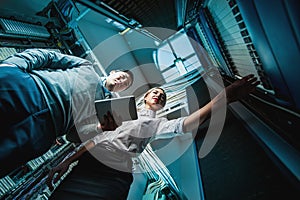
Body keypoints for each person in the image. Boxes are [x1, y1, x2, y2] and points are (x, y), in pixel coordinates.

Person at [47, 74, 259, 199]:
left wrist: (225, 97)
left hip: (115, 173)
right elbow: (96, 140)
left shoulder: (159, 124)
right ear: (146, 96)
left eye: (162, 96)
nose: (158, 94)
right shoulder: (121, 110)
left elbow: (188, 123)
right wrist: (67, 161)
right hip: (87, 166)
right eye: (155, 92)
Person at [0, 48, 134, 177]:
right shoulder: (86, 66)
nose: (121, 82)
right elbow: (49, 57)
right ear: (113, 72)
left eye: (125, 84)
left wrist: (99, 128)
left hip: (43, 129)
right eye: (122, 77)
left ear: (120, 91)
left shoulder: (104, 110)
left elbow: (73, 136)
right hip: (30, 89)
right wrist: (12, 65)